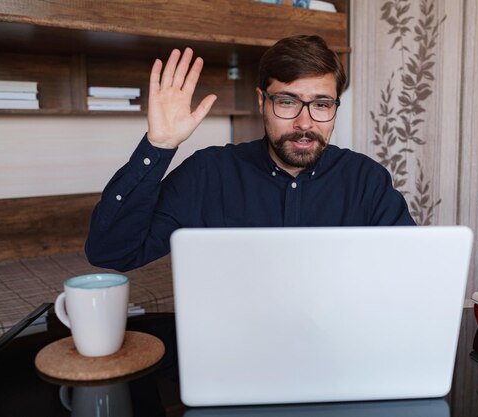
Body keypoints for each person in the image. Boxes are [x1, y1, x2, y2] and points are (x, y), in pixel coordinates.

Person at [85, 35, 415, 272]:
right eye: (287, 102)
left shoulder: (366, 180)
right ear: (262, 101)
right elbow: (111, 253)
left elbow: (410, 271)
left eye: (321, 104)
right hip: (227, 350)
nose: (305, 122)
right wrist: (158, 146)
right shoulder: (207, 173)